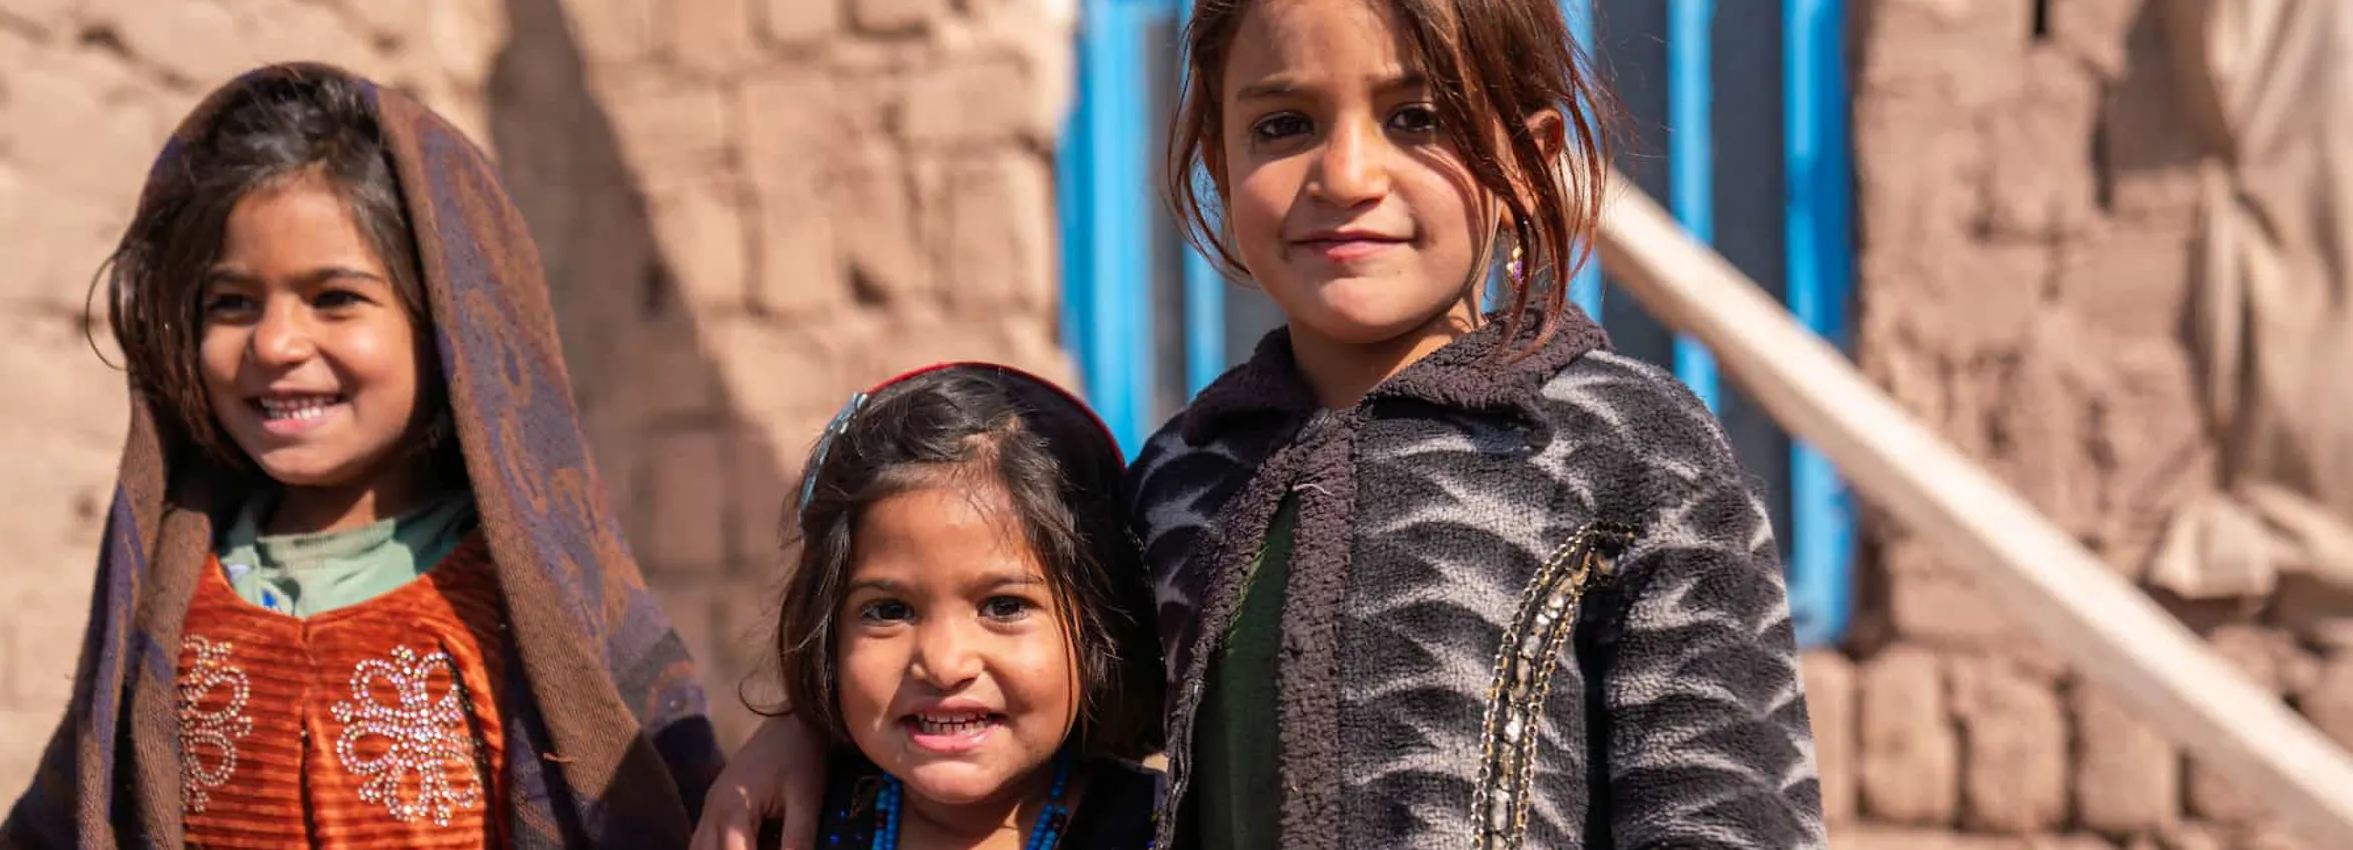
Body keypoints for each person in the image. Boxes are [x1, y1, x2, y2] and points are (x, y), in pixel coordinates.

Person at [695, 1, 1824, 847]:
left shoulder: (1627, 447)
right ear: (1216, 158)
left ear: (1527, 157)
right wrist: (809, 729)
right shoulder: (1186, 474)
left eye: (1418, 117)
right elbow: (1019, 691)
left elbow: (1725, 805)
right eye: (1284, 123)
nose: (1348, 173)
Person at [0, 63, 722, 848]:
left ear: (448, 327)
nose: (275, 344)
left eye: (335, 299)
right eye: (232, 303)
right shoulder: (166, 597)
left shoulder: (538, 603)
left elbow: (675, 808)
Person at [770, 363, 1163, 849]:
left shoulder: (1169, 830)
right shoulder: (788, 824)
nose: (944, 664)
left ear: (1097, 623)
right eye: (889, 611)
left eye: (1004, 606)